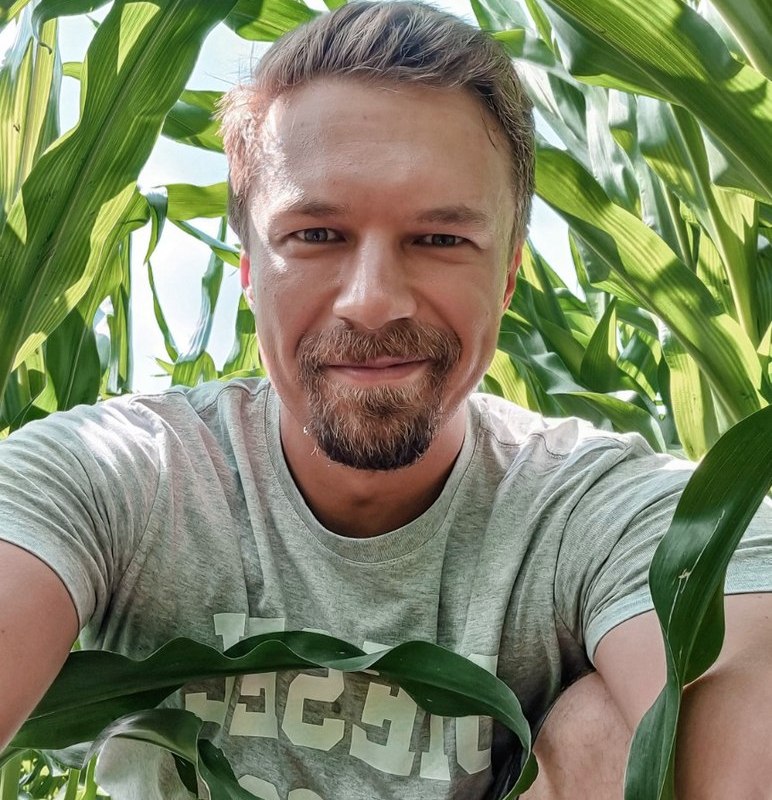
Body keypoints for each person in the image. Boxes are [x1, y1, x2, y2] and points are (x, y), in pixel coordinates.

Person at [1, 2, 771, 799]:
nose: (372, 303)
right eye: (316, 235)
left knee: (607, 728)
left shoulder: (598, 510)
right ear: (249, 269)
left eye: (440, 240)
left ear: (507, 276)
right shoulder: (116, 475)